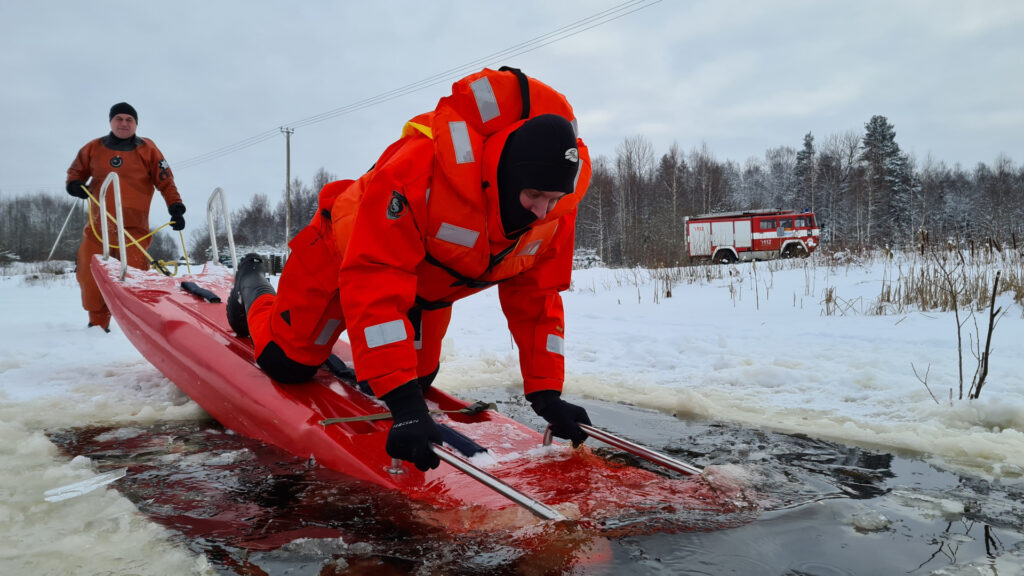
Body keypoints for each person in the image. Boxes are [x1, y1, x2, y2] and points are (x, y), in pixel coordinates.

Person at [228, 67, 593, 472]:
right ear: (506, 175)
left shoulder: (556, 213)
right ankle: (251, 286)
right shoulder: (418, 172)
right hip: (340, 256)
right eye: (534, 194)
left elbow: (537, 299)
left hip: (424, 291)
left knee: (417, 382)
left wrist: (546, 394)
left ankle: (390, 376)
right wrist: (403, 405)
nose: (542, 210)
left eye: (553, 198)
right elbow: (376, 278)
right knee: (286, 364)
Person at [65, 102, 186, 332]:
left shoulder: (148, 149)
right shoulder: (93, 148)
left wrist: (176, 207)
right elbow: (75, 172)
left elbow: (166, 181)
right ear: (111, 122)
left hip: (134, 232)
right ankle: (97, 328)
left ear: (136, 124)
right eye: (119, 119)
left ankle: (139, 330)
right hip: (98, 229)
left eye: (129, 120)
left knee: (134, 281)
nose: (124, 123)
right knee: (90, 279)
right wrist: (74, 184)